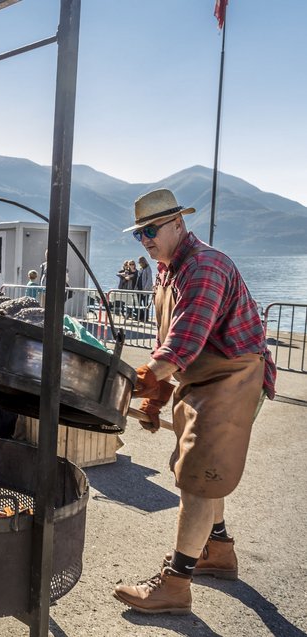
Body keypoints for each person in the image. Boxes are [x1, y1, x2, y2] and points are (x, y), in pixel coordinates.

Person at [112, 188, 276, 615]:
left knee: (200, 475)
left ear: (178, 224)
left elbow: (182, 343)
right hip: (200, 376)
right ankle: (217, 550)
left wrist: (140, 383)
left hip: (232, 375)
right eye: (139, 234)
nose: (146, 240)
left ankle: (176, 584)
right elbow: (171, 343)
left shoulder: (203, 266)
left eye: (151, 230)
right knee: (202, 468)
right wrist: (159, 395)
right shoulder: (168, 269)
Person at [135, 255, 153, 322]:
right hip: (139, 290)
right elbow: (138, 278)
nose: (140, 263)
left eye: (140, 262)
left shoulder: (148, 268)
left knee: (145, 304)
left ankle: (146, 318)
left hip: (145, 290)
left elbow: (149, 280)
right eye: (139, 262)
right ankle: (141, 316)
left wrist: (145, 289)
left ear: (144, 262)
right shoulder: (141, 269)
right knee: (139, 304)